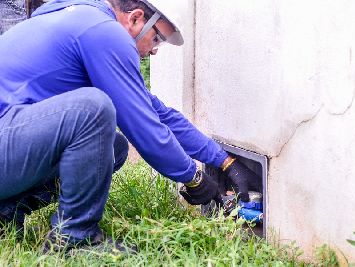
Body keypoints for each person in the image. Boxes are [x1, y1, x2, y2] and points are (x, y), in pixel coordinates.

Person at [0, 0, 261, 252]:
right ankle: (74, 240)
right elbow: (145, 129)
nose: (156, 50)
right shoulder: (104, 32)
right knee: (92, 110)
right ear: (136, 18)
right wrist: (193, 177)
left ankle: (6, 214)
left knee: (113, 147)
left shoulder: (84, 20)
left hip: (10, 138)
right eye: (157, 38)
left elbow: (158, 114)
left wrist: (224, 160)